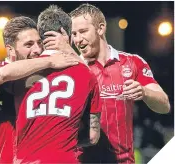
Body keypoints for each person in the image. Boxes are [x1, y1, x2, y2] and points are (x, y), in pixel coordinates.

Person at [44, 3, 170, 163]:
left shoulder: (132, 63)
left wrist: (144, 92)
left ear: (101, 28)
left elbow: (164, 106)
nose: (77, 39)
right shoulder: (70, 69)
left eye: (83, 31)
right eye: (73, 34)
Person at [0, 16, 79, 164]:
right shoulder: (0, 69)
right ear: (11, 49)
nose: (37, 49)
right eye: (29, 44)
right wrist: (49, 61)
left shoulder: (47, 71)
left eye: (39, 43)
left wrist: (68, 50)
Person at [14, 5, 101, 163]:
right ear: (67, 36)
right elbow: (93, 137)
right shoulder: (87, 75)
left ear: (40, 37)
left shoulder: (19, 71)